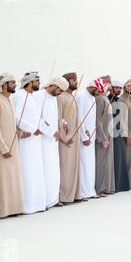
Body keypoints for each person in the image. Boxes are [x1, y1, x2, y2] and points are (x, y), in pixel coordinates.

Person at [0, 73, 24, 218]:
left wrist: (19, 131)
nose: (15, 85)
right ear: (4, 85)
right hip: (2, 149)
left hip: (13, 146)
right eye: (12, 83)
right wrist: (3, 148)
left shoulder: (9, 100)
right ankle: (1, 210)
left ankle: (13, 208)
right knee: (2, 179)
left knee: (13, 178)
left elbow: (11, 122)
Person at [14, 72, 47, 214]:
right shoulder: (18, 96)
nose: (39, 84)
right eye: (37, 81)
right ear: (30, 82)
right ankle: (27, 205)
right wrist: (32, 129)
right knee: (27, 170)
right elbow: (16, 117)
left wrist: (40, 128)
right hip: (26, 139)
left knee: (36, 169)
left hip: (36, 139)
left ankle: (38, 204)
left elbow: (37, 117)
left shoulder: (33, 97)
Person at [37, 76, 68, 208]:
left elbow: (55, 117)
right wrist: (51, 131)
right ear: (54, 86)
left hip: (53, 140)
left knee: (54, 170)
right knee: (45, 170)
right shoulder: (40, 96)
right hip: (43, 139)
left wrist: (62, 122)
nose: (60, 93)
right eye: (60, 90)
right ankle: (44, 201)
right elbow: (38, 118)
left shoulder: (54, 98)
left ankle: (53, 199)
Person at [58, 72, 82, 204]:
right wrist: (65, 137)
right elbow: (59, 119)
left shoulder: (72, 97)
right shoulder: (61, 97)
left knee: (74, 166)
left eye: (76, 80)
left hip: (75, 139)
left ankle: (74, 195)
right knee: (66, 167)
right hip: (66, 140)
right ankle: (64, 196)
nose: (76, 82)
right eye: (73, 80)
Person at [77, 79, 102, 200]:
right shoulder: (81, 96)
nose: (99, 93)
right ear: (93, 87)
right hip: (85, 138)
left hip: (91, 137)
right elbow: (79, 118)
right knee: (84, 164)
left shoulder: (92, 98)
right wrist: (84, 136)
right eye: (98, 91)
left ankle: (90, 191)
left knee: (90, 165)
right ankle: (83, 192)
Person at [95, 78, 115, 197]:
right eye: (108, 84)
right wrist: (102, 138)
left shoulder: (105, 98)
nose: (110, 86)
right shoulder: (99, 99)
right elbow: (97, 120)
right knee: (101, 163)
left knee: (106, 163)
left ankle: (106, 187)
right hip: (102, 138)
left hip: (108, 136)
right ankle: (99, 189)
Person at [109, 80, 131, 192]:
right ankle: (114, 186)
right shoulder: (108, 100)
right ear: (111, 88)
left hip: (118, 134)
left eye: (119, 88)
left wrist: (125, 133)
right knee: (114, 159)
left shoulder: (118, 101)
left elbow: (121, 120)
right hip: (110, 135)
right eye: (116, 88)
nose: (118, 90)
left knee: (120, 158)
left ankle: (120, 185)